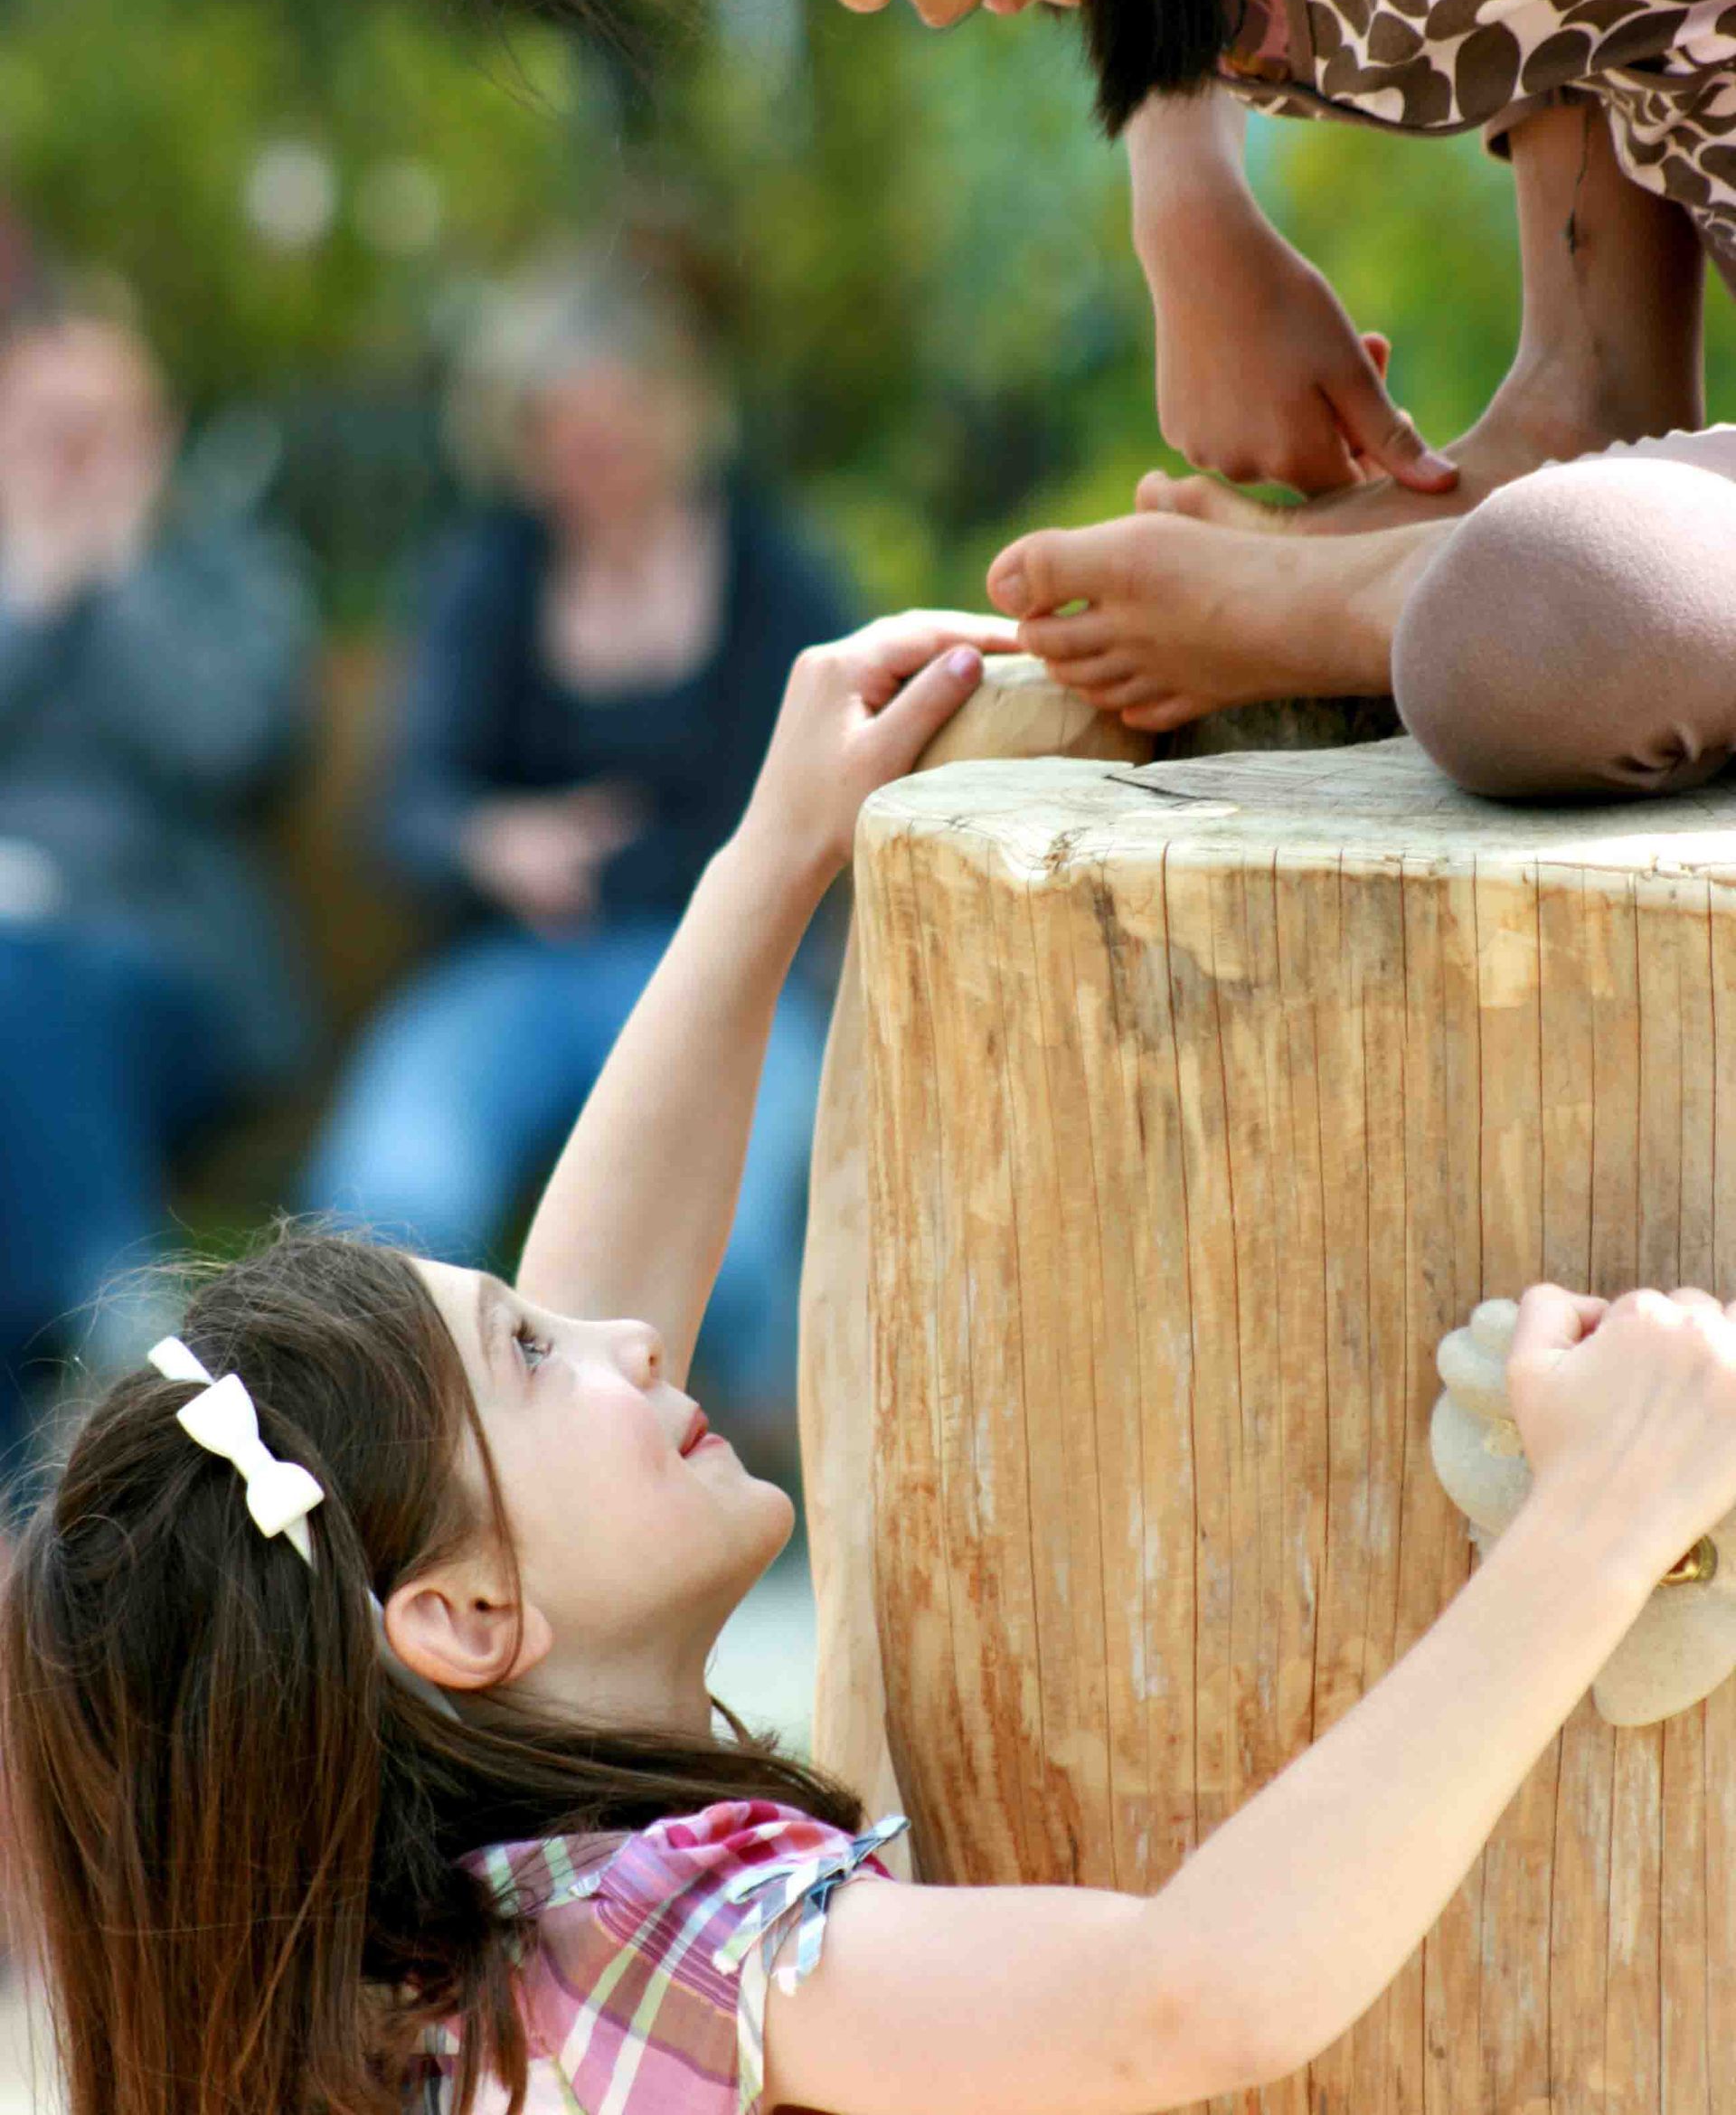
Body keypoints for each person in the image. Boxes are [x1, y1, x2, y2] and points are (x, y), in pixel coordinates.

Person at [9, 611, 1736, 2115]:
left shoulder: (455, 1965)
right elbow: (1186, 1999)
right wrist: (1601, 1517)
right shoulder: (632, 1940)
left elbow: (574, 1342)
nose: (622, 1339)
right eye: (537, 1356)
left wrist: (768, 865)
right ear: (462, 1621)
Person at [406, 0, 1736, 787]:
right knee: (1534, 561)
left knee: (1519, 618)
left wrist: (1322, 598)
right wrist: (1189, 192)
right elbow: (1611, 407)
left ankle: (1360, 600)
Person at [303, 266, 851, 1460]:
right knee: (386, 1192)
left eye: (617, 427)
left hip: (723, 971)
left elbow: (852, 775)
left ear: (674, 413)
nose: (593, 459)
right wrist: (495, 839)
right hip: (519, 966)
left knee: (740, 1239)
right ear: (521, 441)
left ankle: (711, 1487)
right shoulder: (488, 578)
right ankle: (408, 1478)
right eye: (564, 434)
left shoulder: (773, 572)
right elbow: (406, 807)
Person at [0, 305, 316, 1503]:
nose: (74, 459)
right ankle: (105, 1304)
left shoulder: (227, 574)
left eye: (101, 431)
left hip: (169, 980)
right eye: (45, 431)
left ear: (158, 438)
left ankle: (100, 1322)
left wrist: (121, 577)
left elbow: (233, 743)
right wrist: (32, 593)